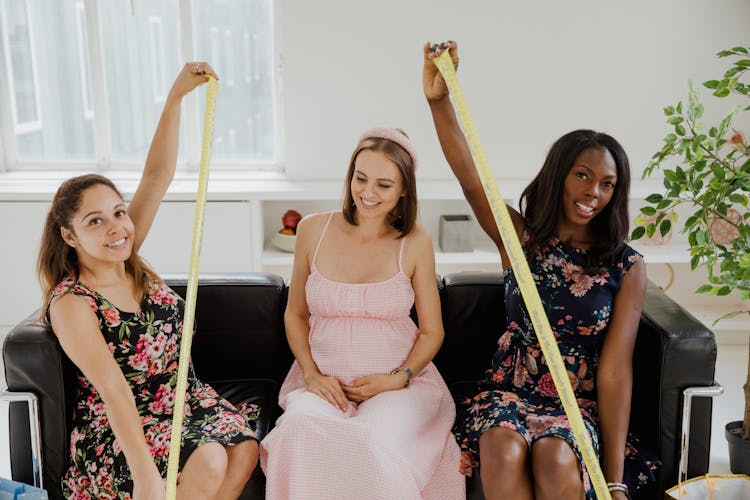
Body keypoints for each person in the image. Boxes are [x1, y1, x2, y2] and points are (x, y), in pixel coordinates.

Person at [422, 41, 658, 500]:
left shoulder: (626, 267)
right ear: (559, 175)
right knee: (503, 447)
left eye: (608, 183)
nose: (594, 191)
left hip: (576, 406)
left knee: (554, 457)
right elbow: (471, 175)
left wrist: (613, 480)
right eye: (583, 175)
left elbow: (614, 373)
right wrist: (439, 100)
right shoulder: (520, 240)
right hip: (509, 393)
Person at [37, 63, 259, 499]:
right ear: (70, 235)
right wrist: (145, 480)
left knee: (246, 448)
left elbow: (157, 176)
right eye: (95, 221)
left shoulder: (126, 254)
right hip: (125, 426)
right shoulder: (73, 302)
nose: (116, 227)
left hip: (184, 400)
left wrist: (175, 98)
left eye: (118, 212)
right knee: (212, 458)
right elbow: (115, 392)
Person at [259, 127, 465, 499]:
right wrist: (312, 374)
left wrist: (397, 379)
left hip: (398, 386)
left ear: (404, 190)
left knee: (374, 440)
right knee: (297, 430)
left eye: (384, 185)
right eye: (360, 178)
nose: (367, 194)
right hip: (323, 383)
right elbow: (296, 315)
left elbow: (432, 331)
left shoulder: (416, 240)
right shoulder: (311, 229)